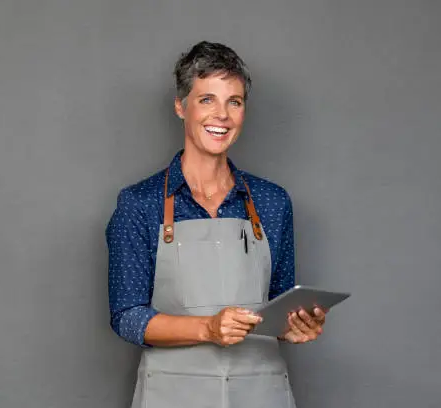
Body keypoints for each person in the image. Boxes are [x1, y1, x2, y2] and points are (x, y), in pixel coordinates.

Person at [105, 41, 326, 408]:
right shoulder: (140, 204)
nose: (221, 115)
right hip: (174, 395)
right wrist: (208, 328)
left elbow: (279, 305)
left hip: (261, 393)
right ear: (181, 106)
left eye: (234, 102)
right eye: (207, 99)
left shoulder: (272, 202)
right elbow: (127, 317)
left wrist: (296, 325)